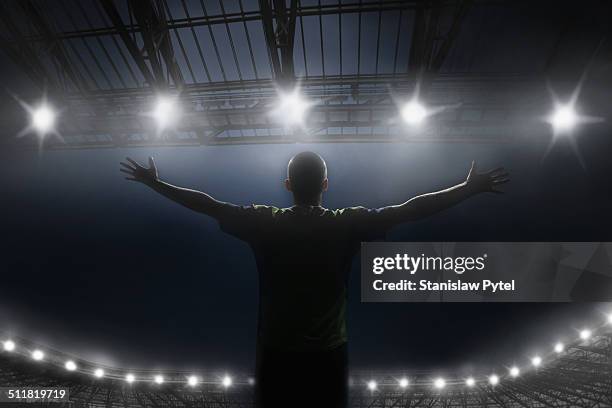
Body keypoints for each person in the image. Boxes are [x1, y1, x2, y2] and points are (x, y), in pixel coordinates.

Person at [120, 152, 508, 407]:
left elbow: (207, 205)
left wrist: (156, 183)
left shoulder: (264, 221)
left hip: (275, 352)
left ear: (287, 186)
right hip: (329, 355)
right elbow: (410, 210)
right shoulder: (348, 223)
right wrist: (467, 188)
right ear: (325, 185)